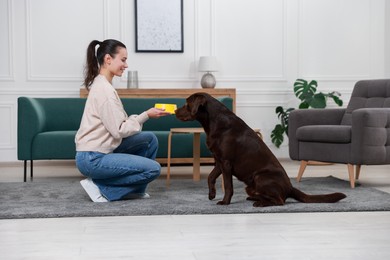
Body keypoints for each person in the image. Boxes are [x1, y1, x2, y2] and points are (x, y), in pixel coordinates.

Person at [75, 39, 170, 202]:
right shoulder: (104, 91)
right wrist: (146, 114)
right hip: (93, 158)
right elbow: (119, 130)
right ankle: (102, 187)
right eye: (123, 60)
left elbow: (120, 123)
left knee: (149, 140)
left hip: (98, 151)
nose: (126, 65)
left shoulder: (104, 85)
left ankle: (135, 190)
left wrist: (144, 115)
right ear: (108, 59)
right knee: (153, 170)